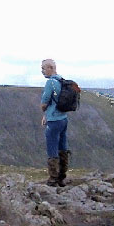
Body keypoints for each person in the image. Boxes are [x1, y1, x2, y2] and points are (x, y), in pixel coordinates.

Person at [40, 59, 71, 187]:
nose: (42, 71)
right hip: (63, 119)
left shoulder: (50, 83)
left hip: (54, 121)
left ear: (51, 67)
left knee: (52, 148)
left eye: (43, 68)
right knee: (62, 146)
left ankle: (53, 179)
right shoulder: (61, 80)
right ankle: (62, 177)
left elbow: (44, 102)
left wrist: (44, 112)